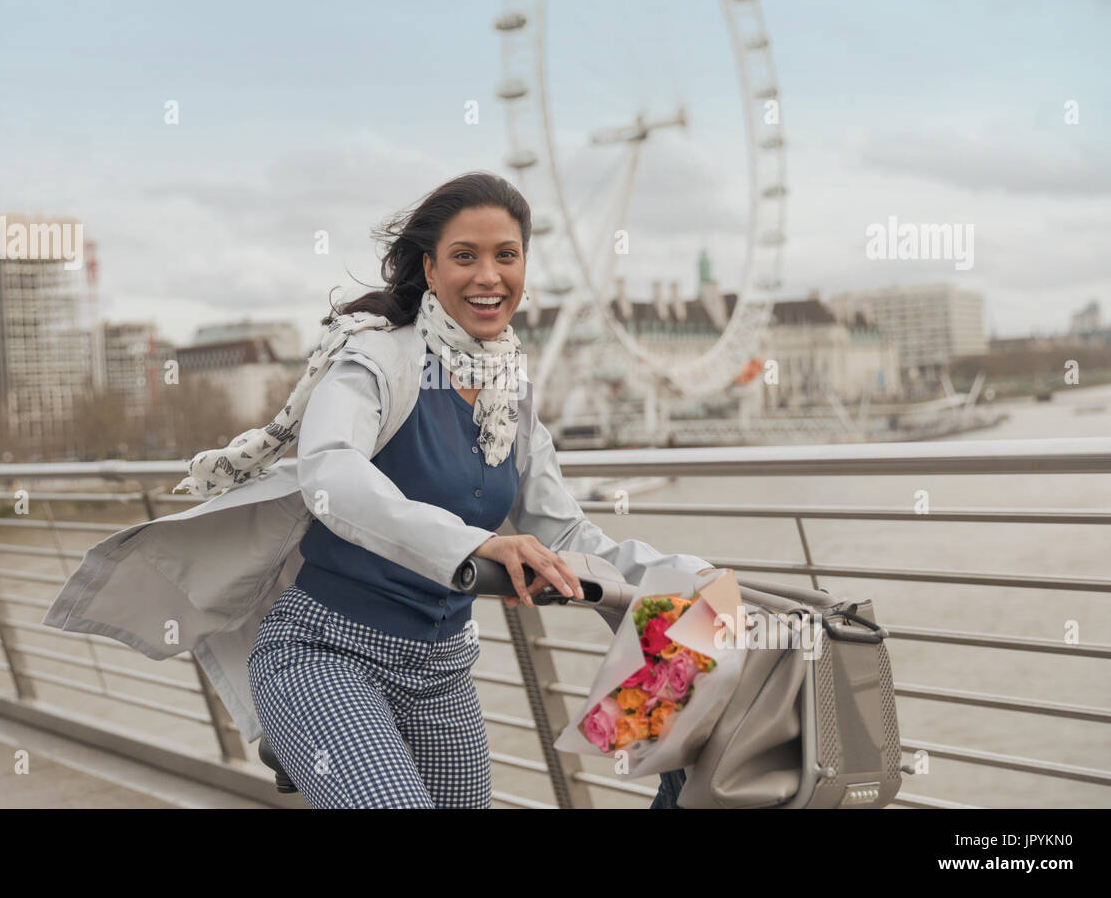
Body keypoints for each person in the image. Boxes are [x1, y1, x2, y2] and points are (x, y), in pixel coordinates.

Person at [190, 171, 718, 808]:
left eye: (507, 255)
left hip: (441, 673)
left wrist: (686, 577)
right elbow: (331, 470)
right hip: (324, 653)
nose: (488, 275)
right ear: (430, 270)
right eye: (465, 256)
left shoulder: (510, 395)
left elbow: (566, 533)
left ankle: (651, 763)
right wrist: (478, 545)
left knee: (692, 661)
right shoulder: (375, 361)